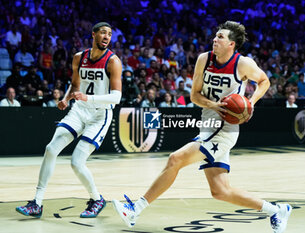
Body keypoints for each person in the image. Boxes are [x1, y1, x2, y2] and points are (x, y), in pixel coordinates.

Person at [112, 21, 292, 233]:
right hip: (208, 124)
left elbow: (264, 81)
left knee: (175, 159)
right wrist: (213, 105)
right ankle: (276, 210)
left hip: (224, 130)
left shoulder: (243, 64)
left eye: (220, 37)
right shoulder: (204, 60)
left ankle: (136, 208)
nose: (215, 40)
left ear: (231, 44)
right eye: (215, 36)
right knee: (220, 191)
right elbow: (194, 95)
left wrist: (251, 101)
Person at [16, 22, 122, 218]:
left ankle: (97, 199)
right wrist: (66, 99)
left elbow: (116, 97)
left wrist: (87, 98)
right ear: (94, 35)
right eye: (103, 33)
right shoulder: (79, 57)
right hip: (79, 110)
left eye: (109, 34)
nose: (107, 37)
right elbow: (75, 84)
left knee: (76, 162)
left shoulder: (113, 61)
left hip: (100, 115)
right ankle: (37, 203)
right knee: (51, 149)